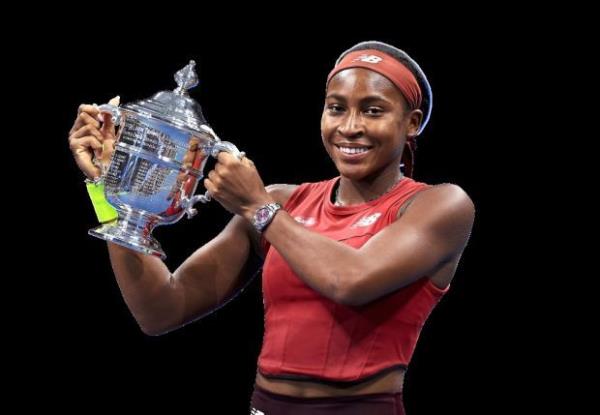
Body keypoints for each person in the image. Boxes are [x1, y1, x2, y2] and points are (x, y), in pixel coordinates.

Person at [68, 41, 475, 415]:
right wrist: (111, 189)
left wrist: (258, 208)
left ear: (412, 123)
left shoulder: (440, 205)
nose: (349, 126)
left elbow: (352, 281)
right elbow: (161, 310)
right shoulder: (284, 202)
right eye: (336, 107)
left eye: (373, 110)